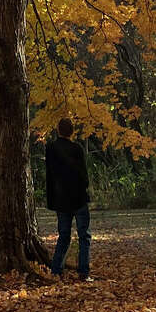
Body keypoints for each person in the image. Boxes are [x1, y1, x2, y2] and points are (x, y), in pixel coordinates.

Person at [45, 117, 91, 279]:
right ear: (71, 132)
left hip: (61, 199)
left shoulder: (50, 148)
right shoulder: (76, 149)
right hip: (78, 198)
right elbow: (83, 176)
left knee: (64, 235)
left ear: (58, 130)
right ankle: (83, 272)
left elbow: (50, 176)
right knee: (83, 235)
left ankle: (56, 269)